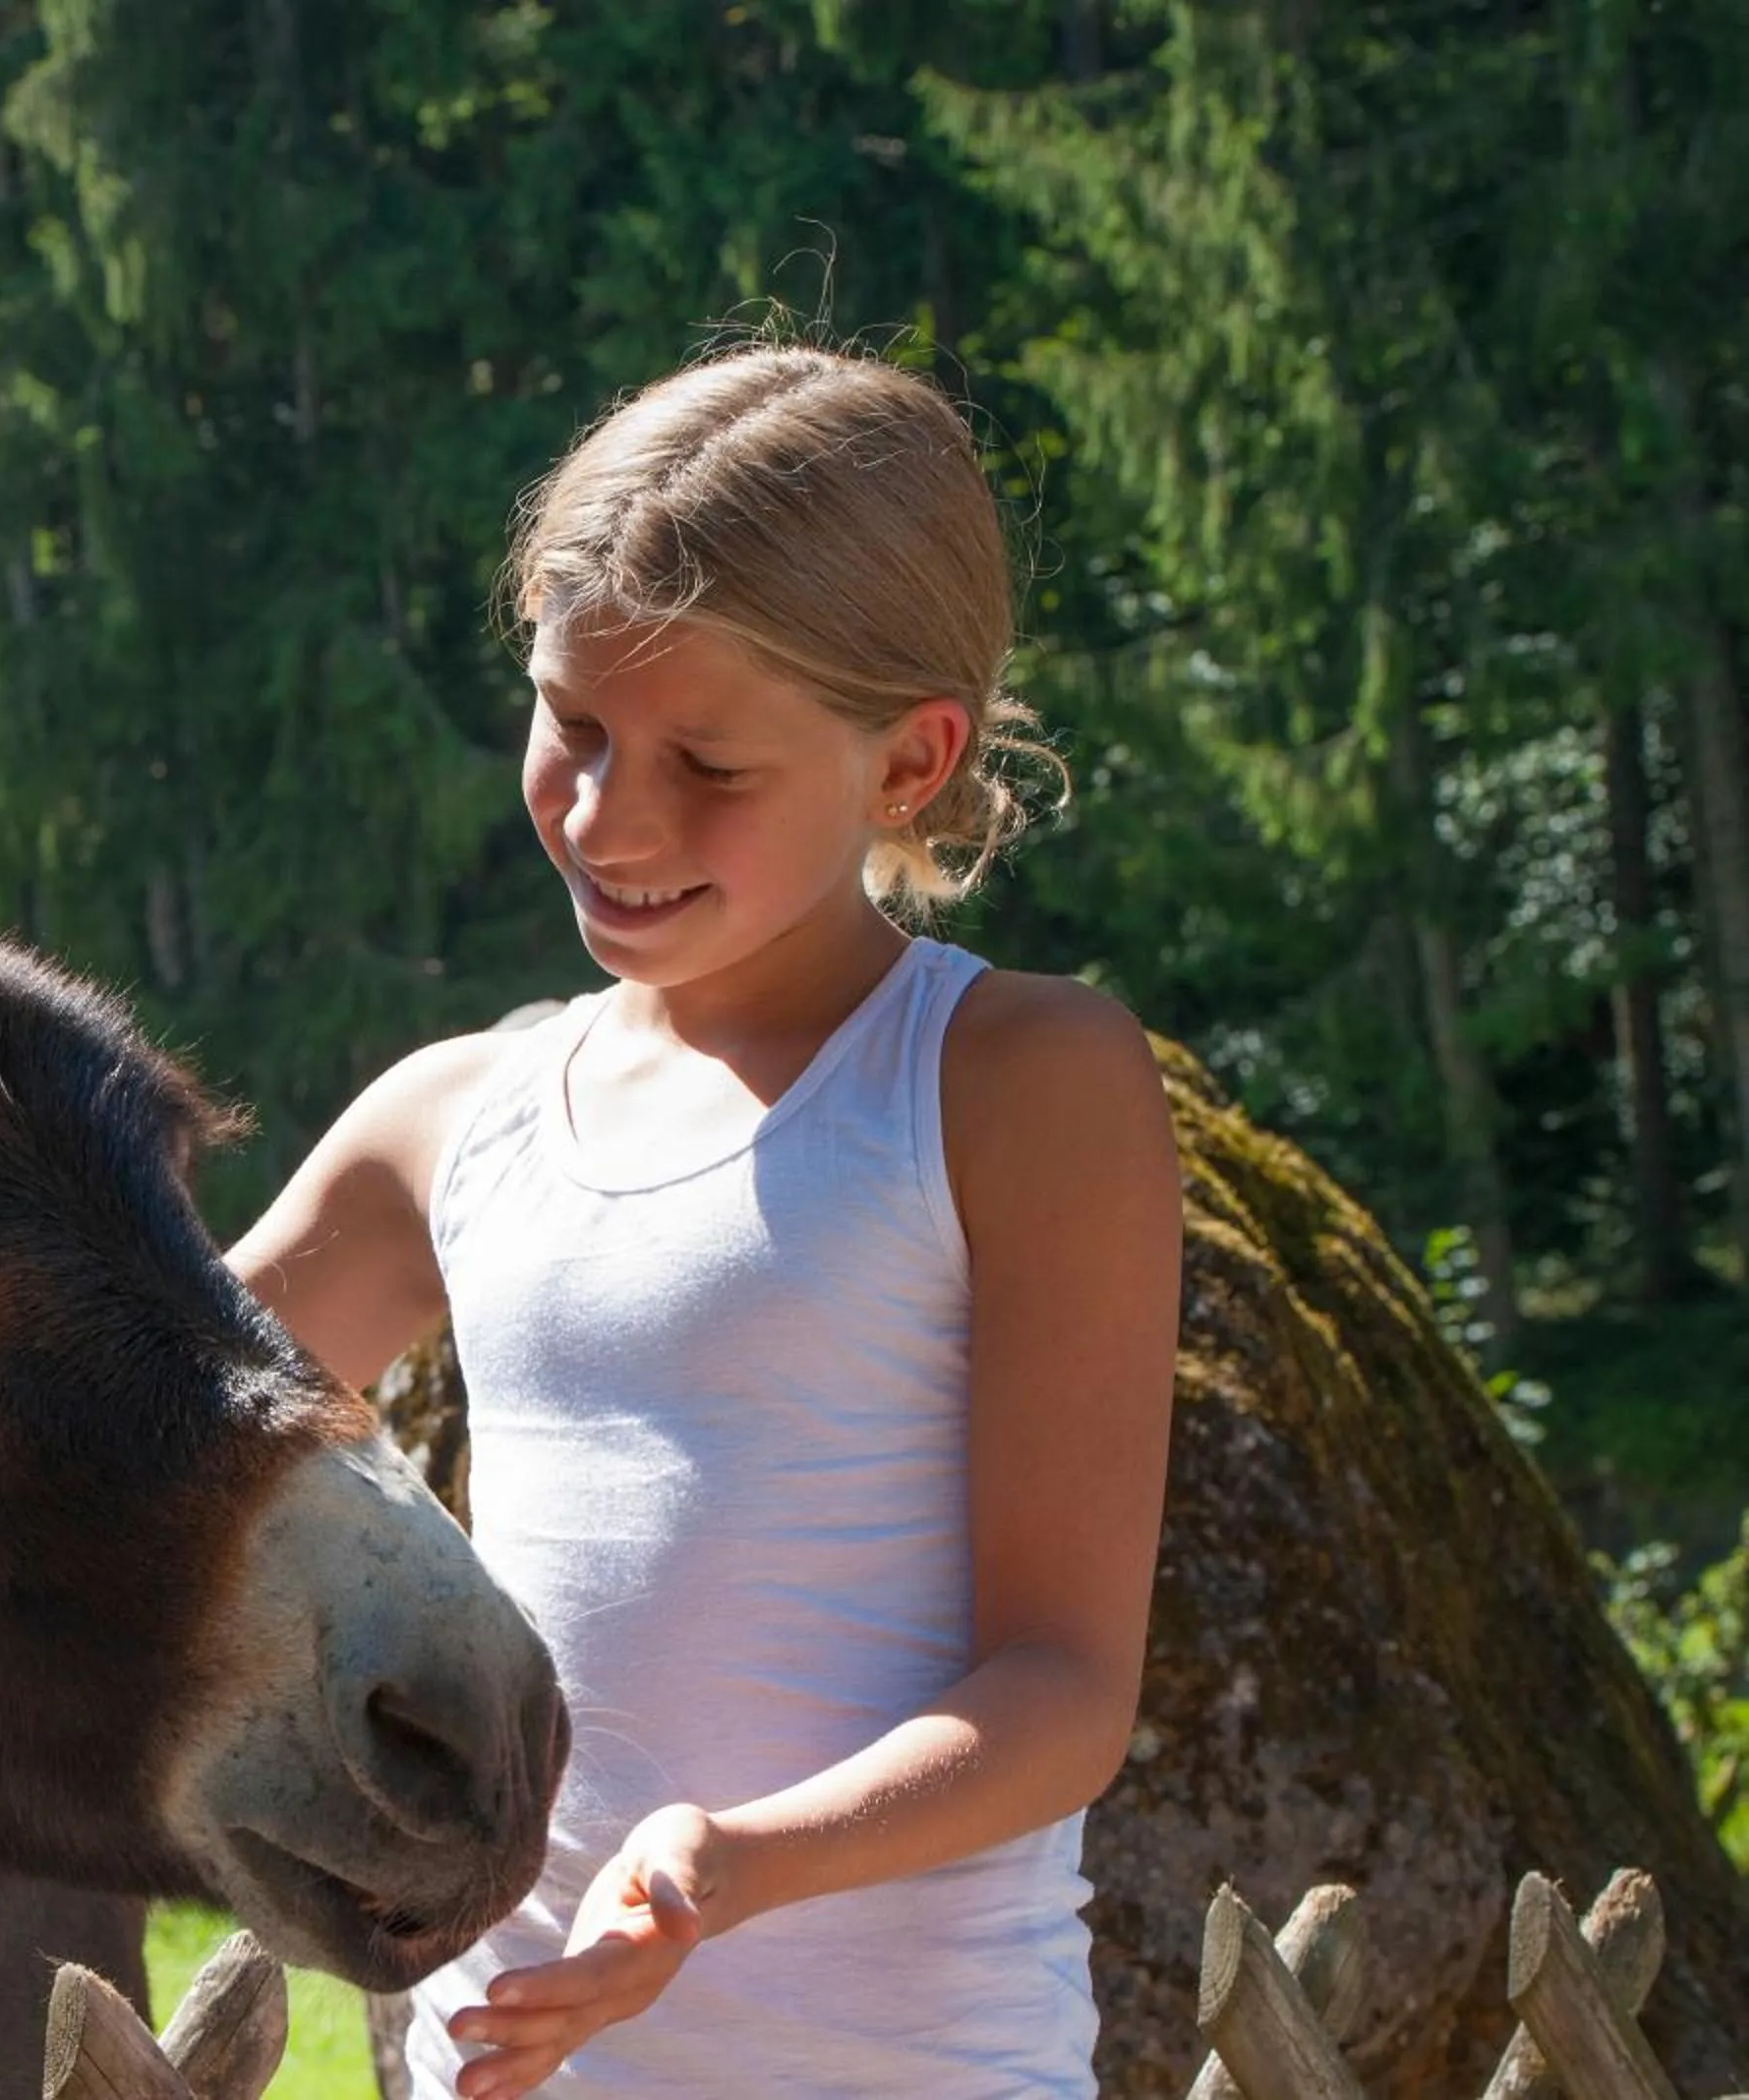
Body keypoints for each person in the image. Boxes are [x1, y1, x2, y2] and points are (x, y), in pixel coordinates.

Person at [224, 342, 1183, 2098]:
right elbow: (122, 1429)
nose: (605, 815)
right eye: (570, 725)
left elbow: (1062, 1687)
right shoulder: (457, 1120)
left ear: (914, 760)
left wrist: (724, 1866)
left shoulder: (1019, 1083)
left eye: (708, 767)